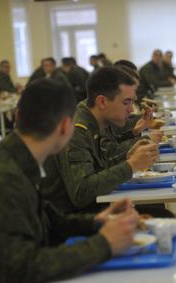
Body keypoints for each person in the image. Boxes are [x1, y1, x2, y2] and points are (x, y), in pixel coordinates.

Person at [0, 78, 139, 282]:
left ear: (17, 115)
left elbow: (48, 220)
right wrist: (104, 244)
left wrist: (96, 222)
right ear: (65, 127)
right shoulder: (0, 177)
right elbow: (19, 271)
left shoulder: (15, 159)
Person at [42, 67, 160, 213]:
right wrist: (131, 165)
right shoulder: (76, 130)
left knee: (157, 210)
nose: (131, 110)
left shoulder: (93, 119)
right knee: (160, 215)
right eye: (126, 102)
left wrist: (128, 155)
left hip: (91, 211)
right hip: (72, 220)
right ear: (102, 102)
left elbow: (99, 166)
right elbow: (81, 192)